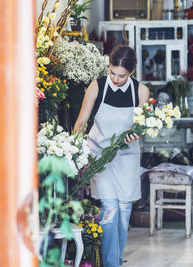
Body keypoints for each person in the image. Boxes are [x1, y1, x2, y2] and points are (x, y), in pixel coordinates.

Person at [73, 45, 150, 267]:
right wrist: (78, 155)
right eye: (112, 73)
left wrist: (136, 134)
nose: (116, 79)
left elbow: (141, 125)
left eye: (122, 75)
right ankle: (111, 264)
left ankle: (114, 259)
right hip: (100, 156)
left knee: (124, 210)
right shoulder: (96, 87)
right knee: (110, 208)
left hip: (127, 157)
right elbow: (80, 123)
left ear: (132, 72)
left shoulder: (140, 91)